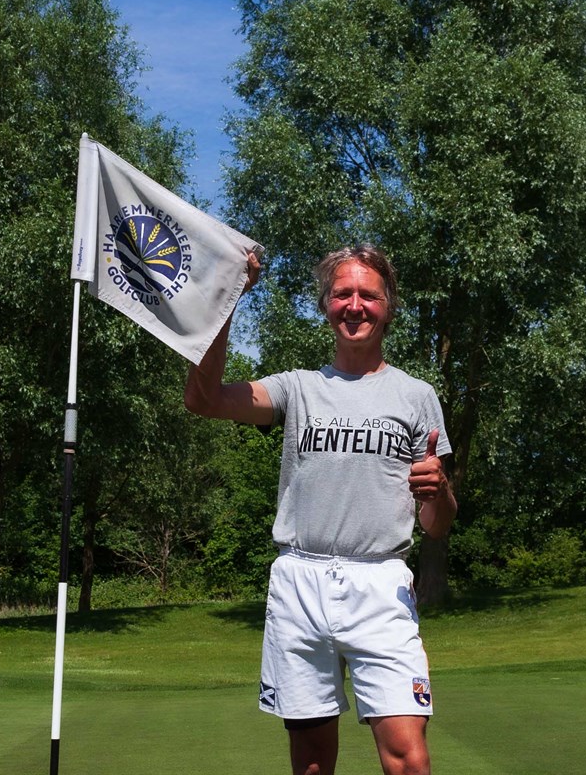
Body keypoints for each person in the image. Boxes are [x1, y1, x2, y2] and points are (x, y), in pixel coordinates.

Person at [185, 246, 455, 775]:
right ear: (326, 305)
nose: (355, 305)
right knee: (311, 766)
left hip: (381, 586)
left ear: (389, 306)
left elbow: (437, 524)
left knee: (409, 761)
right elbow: (205, 398)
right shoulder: (297, 389)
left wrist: (438, 489)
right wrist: (231, 296)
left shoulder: (418, 396)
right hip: (300, 584)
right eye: (342, 294)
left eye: (369, 295)